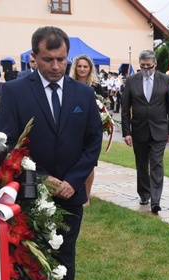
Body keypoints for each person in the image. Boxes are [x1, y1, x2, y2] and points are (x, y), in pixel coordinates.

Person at [0, 26, 102, 280]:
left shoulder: (83, 93)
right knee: (33, 250)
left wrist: (73, 180)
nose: (56, 66)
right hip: (31, 186)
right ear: (34, 57)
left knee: (65, 250)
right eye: (48, 59)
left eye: (61, 59)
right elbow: (8, 146)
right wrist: (41, 178)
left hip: (71, 189)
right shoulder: (15, 92)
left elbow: (92, 141)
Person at [121, 49, 169, 215]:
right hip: (139, 129)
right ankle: (144, 194)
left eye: (149, 66)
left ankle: (155, 200)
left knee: (156, 163)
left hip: (159, 129)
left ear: (155, 64)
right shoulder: (132, 80)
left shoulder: (165, 80)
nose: (146, 69)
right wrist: (126, 132)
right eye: (143, 66)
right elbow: (125, 108)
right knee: (141, 164)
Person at [69, 54, 104, 206]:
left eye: (85, 66)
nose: (82, 69)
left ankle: (87, 196)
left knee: (89, 163)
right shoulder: (68, 84)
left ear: (90, 69)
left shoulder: (96, 87)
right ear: (75, 67)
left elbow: (103, 107)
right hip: (73, 128)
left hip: (89, 129)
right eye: (79, 66)